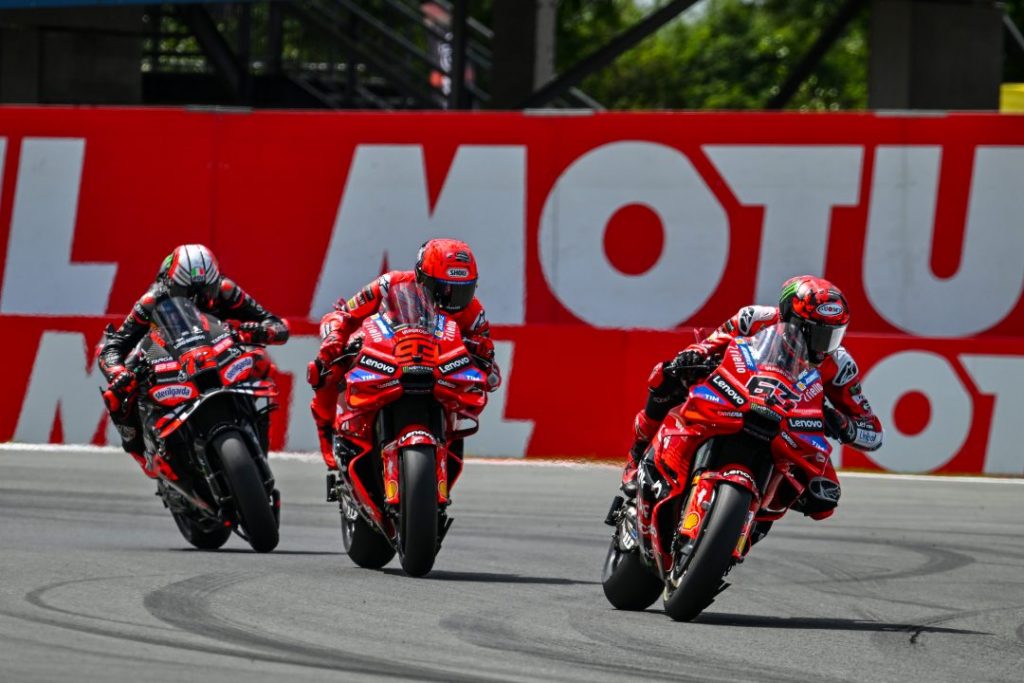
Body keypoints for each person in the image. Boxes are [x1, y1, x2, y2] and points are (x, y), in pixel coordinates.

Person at [621, 275, 883, 520]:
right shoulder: (754, 319)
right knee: (665, 376)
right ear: (790, 317)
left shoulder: (840, 365)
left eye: (832, 335)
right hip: (736, 394)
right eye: (815, 333)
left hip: (789, 424)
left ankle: (753, 523)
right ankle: (637, 455)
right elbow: (709, 345)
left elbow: (873, 432)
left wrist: (843, 425)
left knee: (823, 497)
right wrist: (692, 357)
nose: (822, 345)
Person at [307, 238, 500, 469]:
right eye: (443, 289)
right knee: (325, 367)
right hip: (389, 354)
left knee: (487, 380)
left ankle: (445, 435)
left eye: (462, 290)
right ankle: (327, 431)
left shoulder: (473, 310)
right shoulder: (390, 284)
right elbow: (343, 314)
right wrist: (334, 339)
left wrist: (484, 357)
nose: (452, 298)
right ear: (421, 277)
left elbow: (487, 355)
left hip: (439, 369)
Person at [98, 244, 289, 477]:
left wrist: (262, 332)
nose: (197, 299)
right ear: (169, 284)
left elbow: (275, 324)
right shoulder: (151, 300)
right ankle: (144, 455)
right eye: (185, 292)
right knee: (117, 394)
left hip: (219, 354)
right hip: (168, 359)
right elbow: (113, 346)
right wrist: (118, 372)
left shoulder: (226, 290)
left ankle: (257, 434)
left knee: (261, 361)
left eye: (206, 290)